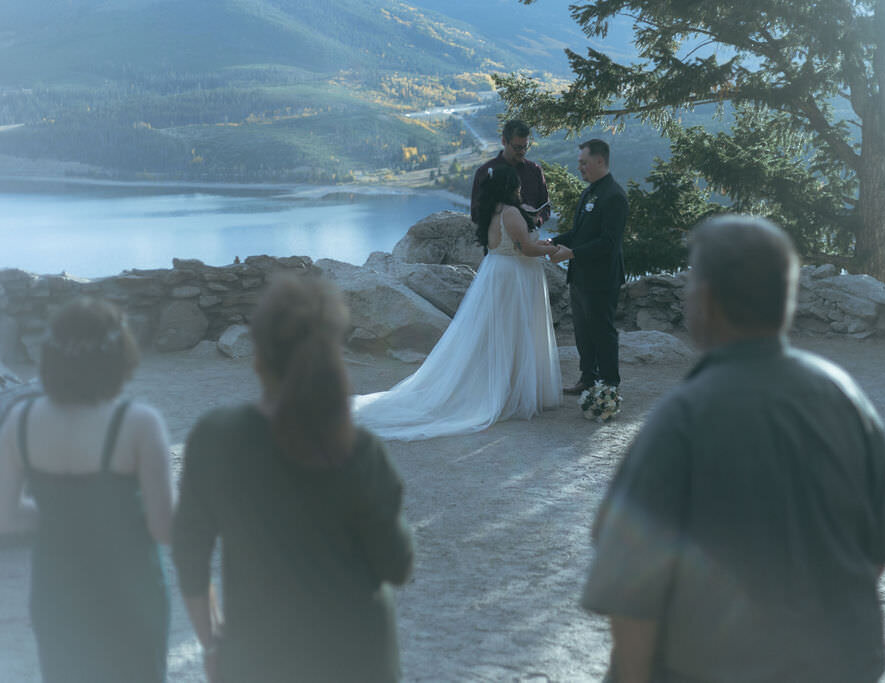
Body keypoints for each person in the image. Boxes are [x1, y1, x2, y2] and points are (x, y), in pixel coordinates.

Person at [581, 215, 885, 683]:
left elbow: (631, 592)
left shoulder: (683, 417)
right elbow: (879, 548)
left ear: (706, 300)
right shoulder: (847, 399)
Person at [172, 275, 414, 683]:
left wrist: (213, 644)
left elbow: (188, 553)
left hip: (257, 661)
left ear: (258, 358)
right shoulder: (359, 451)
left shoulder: (215, 438)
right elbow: (397, 565)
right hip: (359, 661)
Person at [0, 297, 173, 683]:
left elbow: (5, 517)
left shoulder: (20, 422)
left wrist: (66, 516)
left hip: (57, 590)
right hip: (129, 591)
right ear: (120, 359)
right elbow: (164, 528)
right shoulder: (139, 424)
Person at [351, 164, 563, 440]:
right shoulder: (511, 212)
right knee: (513, 331)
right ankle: (509, 392)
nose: (521, 188)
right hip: (512, 277)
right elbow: (526, 248)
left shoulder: (493, 211)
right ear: (511, 186)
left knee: (498, 332)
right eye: (518, 184)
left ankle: (505, 386)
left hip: (497, 273)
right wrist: (554, 249)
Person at [547, 139, 628, 396]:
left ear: (600, 161)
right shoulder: (590, 192)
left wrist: (572, 253)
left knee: (602, 332)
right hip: (580, 276)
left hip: (602, 278)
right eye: (579, 163)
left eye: (583, 163)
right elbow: (579, 233)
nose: (579, 167)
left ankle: (609, 385)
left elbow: (609, 243)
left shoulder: (614, 196)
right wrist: (554, 242)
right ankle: (587, 378)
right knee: (582, 332)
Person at [471, 119, 551, 226]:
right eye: (517, 148)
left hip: (529, 236)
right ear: (504, 141)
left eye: (525, 147)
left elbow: (545, 207)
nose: (522, 152)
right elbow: (476, 214)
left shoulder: (535, 170)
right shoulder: (485, 172)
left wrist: (538, 220)